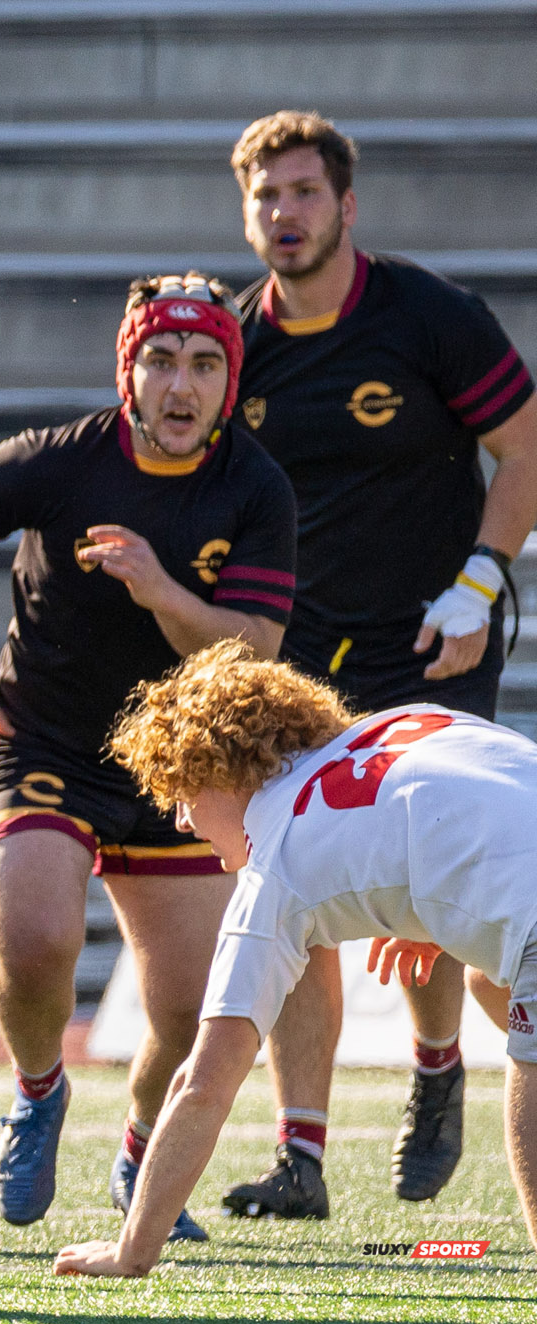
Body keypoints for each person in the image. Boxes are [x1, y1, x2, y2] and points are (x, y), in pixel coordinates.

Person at [0, 275, 297, 1236]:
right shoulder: (63, 459)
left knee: (191, 1002)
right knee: (34, 937)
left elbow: (251, 649)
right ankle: (38, 1093)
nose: (181, 383)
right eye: (161, 358)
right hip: (46, 741)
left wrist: (161, 589)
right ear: (129, 369)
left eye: (205, 363)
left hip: (180, 765)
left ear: (228, 382)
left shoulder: (254, 484)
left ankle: (136, 1147)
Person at [222, 109, 537, 1219]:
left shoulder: (427, 314)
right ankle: (299, 1155)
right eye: (264, 195)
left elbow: (526, 443)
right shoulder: (231, 342)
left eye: (302, 192)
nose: (283, 214)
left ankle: (436, 1068)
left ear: (345, 206)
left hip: (428, 630)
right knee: (284, 877)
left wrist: (481, 576)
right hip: (295, 657)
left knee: (436, 883)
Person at [57, 640, 537, 1276]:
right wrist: (436, 911)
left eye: (183, 790)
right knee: (486, 983)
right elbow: (483, 808)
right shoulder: (397, 724)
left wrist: (131, 1250)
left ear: (222, 772)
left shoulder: (275, 864)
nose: (179, 820)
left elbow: (202, 1087)